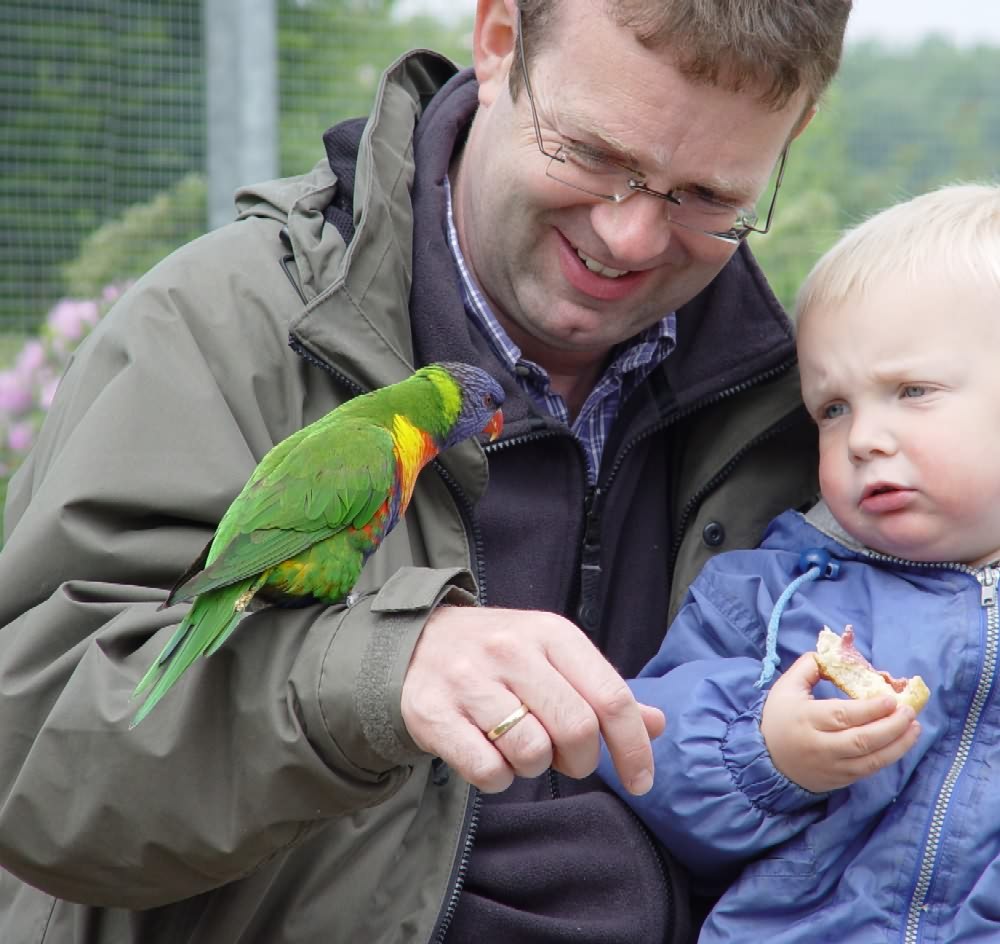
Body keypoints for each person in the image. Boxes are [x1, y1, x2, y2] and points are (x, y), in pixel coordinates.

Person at [0, 0, 850, 941]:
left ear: (794, 134)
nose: (632, 238)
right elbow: (31, 763)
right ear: (497, 42)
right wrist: (371, 672)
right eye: (595, 157)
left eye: (709, 197)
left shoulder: (830, 408)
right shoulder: (217, 335)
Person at [598, 182, 1000, 942]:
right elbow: (640, 745)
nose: (864, 439)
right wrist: (765, 755)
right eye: (833, 409)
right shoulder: (776, 593)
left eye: (912, 391)